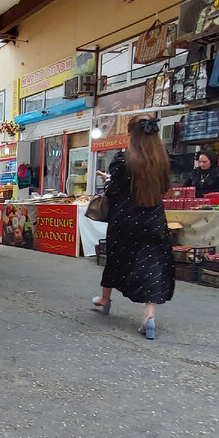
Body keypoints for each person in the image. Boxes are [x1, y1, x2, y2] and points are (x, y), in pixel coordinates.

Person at [91, 116, 174, 339]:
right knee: (152, 264)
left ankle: (105, 299)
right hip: (153, 218)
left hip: (125, 217)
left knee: (116, 258)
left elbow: (115, 191)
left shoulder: (122, 159)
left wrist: (109, 180)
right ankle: (149, 316)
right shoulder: (162, 160)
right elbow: (164, 187)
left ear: (131, 134)